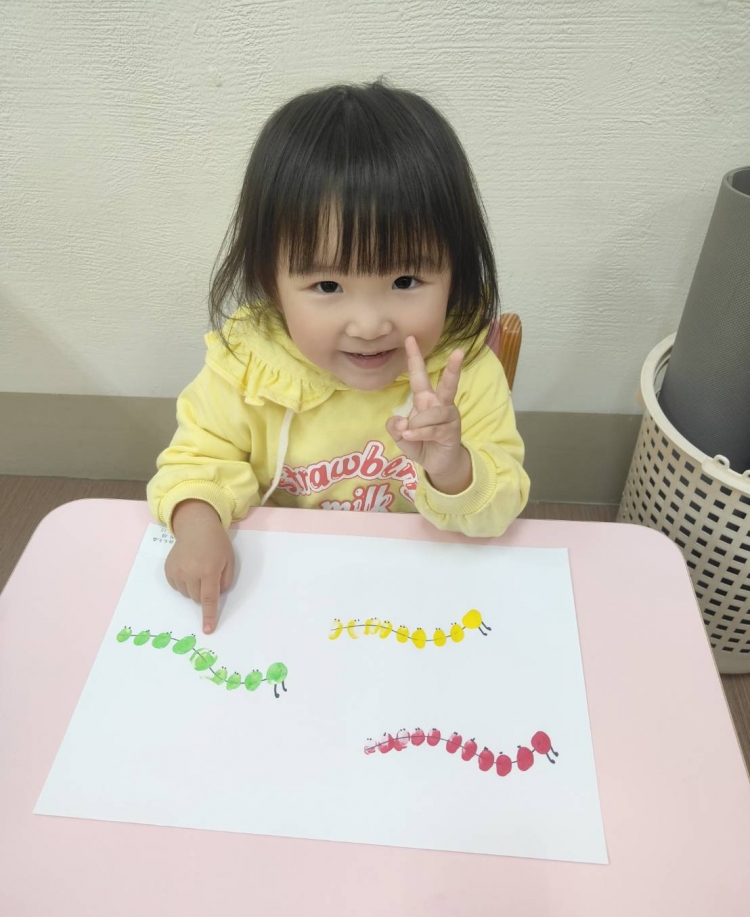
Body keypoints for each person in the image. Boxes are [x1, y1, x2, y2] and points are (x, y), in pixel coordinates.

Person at [147, 77, 530, 634]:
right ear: (271, 281)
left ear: (456, 270)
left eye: (405, 280)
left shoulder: (462, 369)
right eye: (327, 286)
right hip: (287, 587)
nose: (370, 324)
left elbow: (501, 508)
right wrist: (198, 522)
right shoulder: (250, 365)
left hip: (420, 587)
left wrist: (453, 468)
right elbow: (195, 460)